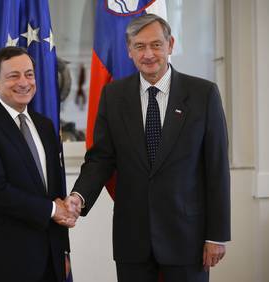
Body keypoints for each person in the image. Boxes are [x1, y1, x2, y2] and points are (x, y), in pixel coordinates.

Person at [66, 13, 231, 282]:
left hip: (187, 238)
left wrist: (217, 234)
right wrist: (79, 197)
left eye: (156, 45)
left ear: (171, 45)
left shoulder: (203, 94)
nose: (149, 54)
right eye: (140, 46)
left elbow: (216, 169)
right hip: (133, 240)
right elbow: (101, 159)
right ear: (129, 50)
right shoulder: (113, 96)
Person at [0, 46, 77, 282]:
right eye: (13, 75)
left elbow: (54, 192)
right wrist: (53, 210)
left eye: (29, 74)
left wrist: (62, 252)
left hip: (48, 261)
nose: (24, 82)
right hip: (3, 261)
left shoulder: (45, 126)